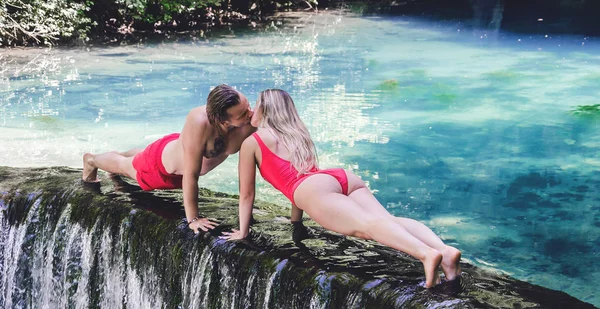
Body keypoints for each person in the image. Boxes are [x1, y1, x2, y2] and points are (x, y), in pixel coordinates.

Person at [220, 89, 461, 288]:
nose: (251, 109)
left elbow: (247, 193)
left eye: (256, 105)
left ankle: (426, 254)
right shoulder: (296, 131)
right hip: (338, 177)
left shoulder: (252, 141)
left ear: (265, 110)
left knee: (367, 227)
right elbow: (303, 175)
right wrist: (296, 222)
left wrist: (242, 232)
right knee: (387, 220)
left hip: (312, 189)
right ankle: (444, 251)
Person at [82, 84, 256, 233]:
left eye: (248, 105)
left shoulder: (248, 117)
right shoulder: (200, 122)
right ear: (222, 120)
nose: (250, 113)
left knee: (138, 156)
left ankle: (123, 153)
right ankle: (91, 160)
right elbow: (190, 175)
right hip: (160, 168)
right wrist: (193, 219)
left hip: (176, 149)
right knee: (125, 166)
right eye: (242, 114)